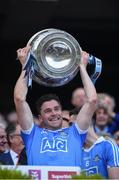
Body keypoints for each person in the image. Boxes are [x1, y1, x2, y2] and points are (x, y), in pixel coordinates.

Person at [14, 46, 97, 166]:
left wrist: (82, 67)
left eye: (56, 109)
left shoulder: (75, 133)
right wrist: (25, 66)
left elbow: (92, 100)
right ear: (40, 117)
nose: (54, 113)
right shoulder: (32, 134)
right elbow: (19, 99)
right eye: (47, 111)